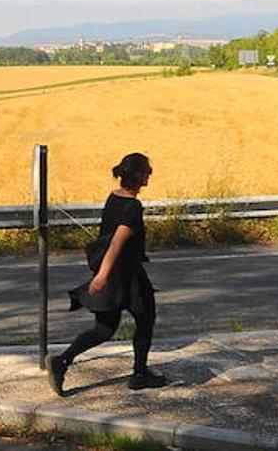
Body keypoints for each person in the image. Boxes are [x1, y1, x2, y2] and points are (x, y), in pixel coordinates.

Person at [48, 152, 168, 395]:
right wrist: (102, 276)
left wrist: (103, 274)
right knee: (146, 319)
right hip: (127, 275)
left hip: (115, 274)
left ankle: (62, 361)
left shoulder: (113, 197)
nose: (149, 176)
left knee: (104, 329)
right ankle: (139, 374)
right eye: (147, 171)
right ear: (140, 176)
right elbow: (116, 242)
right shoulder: (133, 206)